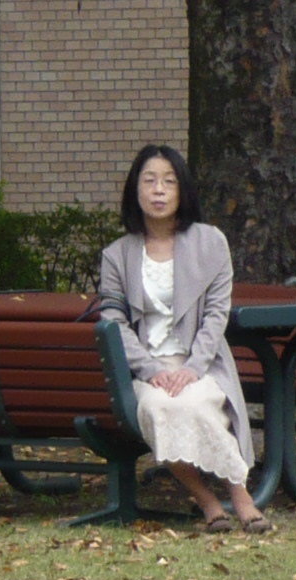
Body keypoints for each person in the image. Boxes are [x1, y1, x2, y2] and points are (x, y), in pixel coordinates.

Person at [92, 145, 267, 532]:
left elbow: (217, 314)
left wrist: (191, 368)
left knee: (199, 402)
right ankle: (208, 502)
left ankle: (239, 495)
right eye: (149, 181)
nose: (158, 190)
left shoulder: (211, 243)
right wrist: (151, 368)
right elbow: (114, 320)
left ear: (182, 190)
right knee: (159, 408)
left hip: (200, 363)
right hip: (145, 369)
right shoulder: (117, 255)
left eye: (168, 182)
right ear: (134, 191)